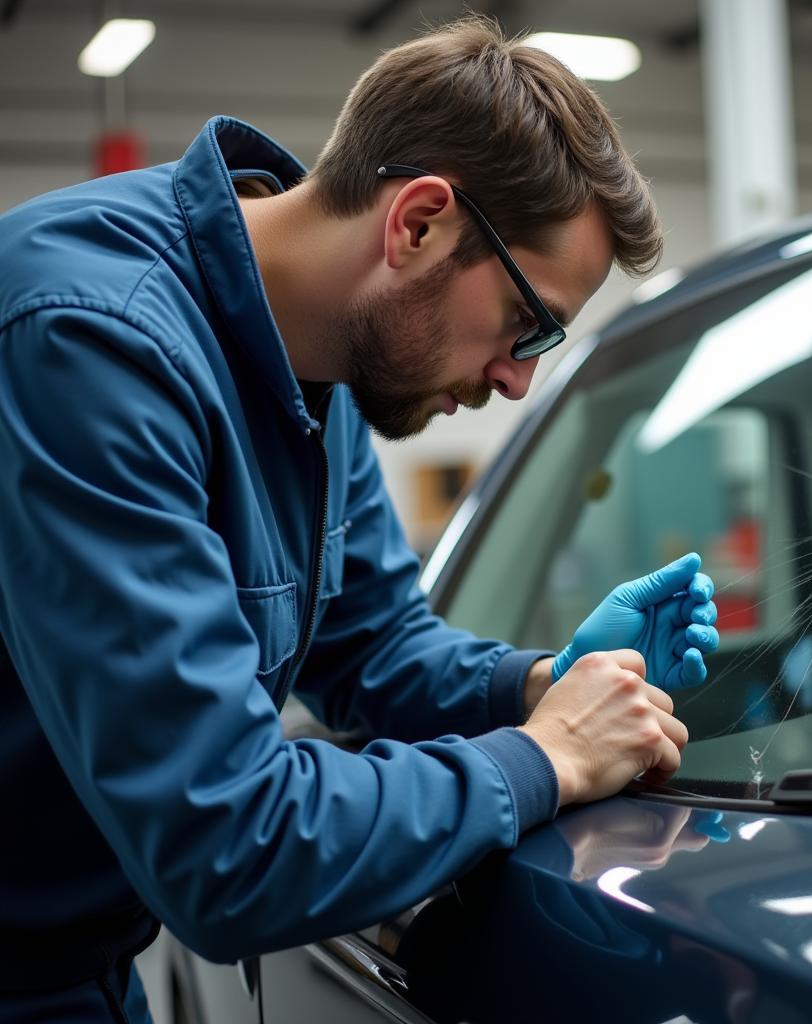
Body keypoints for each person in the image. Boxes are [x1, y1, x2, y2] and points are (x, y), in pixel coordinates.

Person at [0, 15, 719, 1023]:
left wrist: (534, 684)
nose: (516, 379)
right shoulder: (89, 342)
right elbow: (227, 845)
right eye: (527, 324)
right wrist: (543, 757)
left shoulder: (320, 365)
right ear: (418, 222)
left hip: (84, 960)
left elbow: (374, 645)